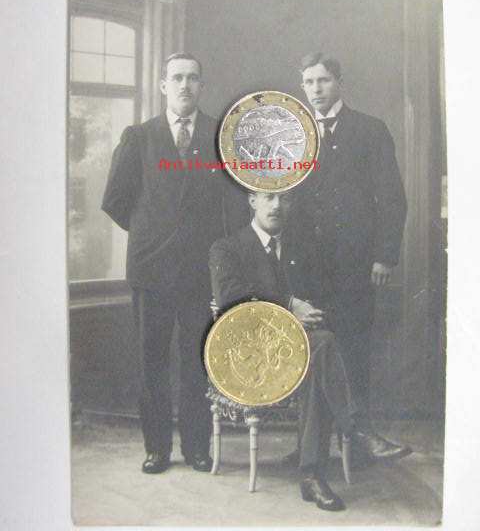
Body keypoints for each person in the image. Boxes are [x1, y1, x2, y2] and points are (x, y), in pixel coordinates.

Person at [210, 190, 384, 512]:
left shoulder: (303, 250)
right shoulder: (227, 248)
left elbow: (322, 299)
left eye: (285, 199)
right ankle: (353, 429)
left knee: (320, 350)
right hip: (253, 355)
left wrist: (312, 315)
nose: (277, 206)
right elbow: (231, 299)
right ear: (252, 200)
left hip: (304, 351)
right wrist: (289, 305)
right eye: (269, 197)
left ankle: (312, 473)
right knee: (322, 348)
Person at [102, 53, 224, 475]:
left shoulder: (218, 135)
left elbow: (231, 204)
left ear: (201, 86)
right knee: (151, 361)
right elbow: (114, 200)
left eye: (193, 77)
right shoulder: (139, 137)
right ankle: (157, 448)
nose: (185, 85)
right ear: (163, 86)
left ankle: (196, 448)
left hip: (199, 271)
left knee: (197, 361)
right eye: (177, 78)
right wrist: (152, 232)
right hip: (151, 270)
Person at [296, 51, 411, 462]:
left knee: (353, 348)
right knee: (313, 348)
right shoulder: (294, 132)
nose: (316, 89)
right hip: (307, 266)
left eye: (323, 80)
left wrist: (384, 256)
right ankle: (310, 446)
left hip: (356, 264)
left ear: (339, 82)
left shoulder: (369, 130)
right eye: (309, 82)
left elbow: (392, 198)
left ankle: (359, 436)